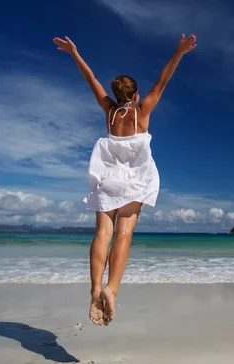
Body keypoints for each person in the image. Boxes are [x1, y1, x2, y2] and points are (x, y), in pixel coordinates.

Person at [53, 33, 197, 326]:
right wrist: (179, 52)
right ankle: (112, 290)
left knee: (102, 234)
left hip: (107, 177)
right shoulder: (141, 112)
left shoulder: (108, 111)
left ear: (116, 94)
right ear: (135, 95)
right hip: (134, 181)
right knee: (124, 234)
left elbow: (90, 78)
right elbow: (163, 80)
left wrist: (74, 53)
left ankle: (95, 288)